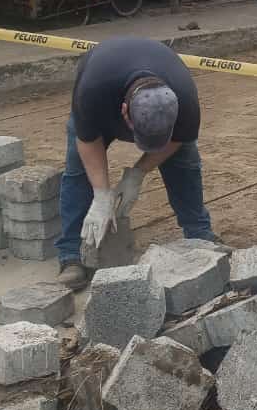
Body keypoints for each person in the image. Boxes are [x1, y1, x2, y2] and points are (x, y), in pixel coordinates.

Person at [55, 36, 217, 290]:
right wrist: (101, 195)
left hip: (146, 75)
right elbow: (87, 141)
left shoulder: (186, 100)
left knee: (185, 165)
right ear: (124, 113)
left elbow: (177, 140)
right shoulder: (93, 91)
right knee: (78, 171)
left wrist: (137, 173)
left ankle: (200, 236)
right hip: (103, 85)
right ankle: (71, 254)